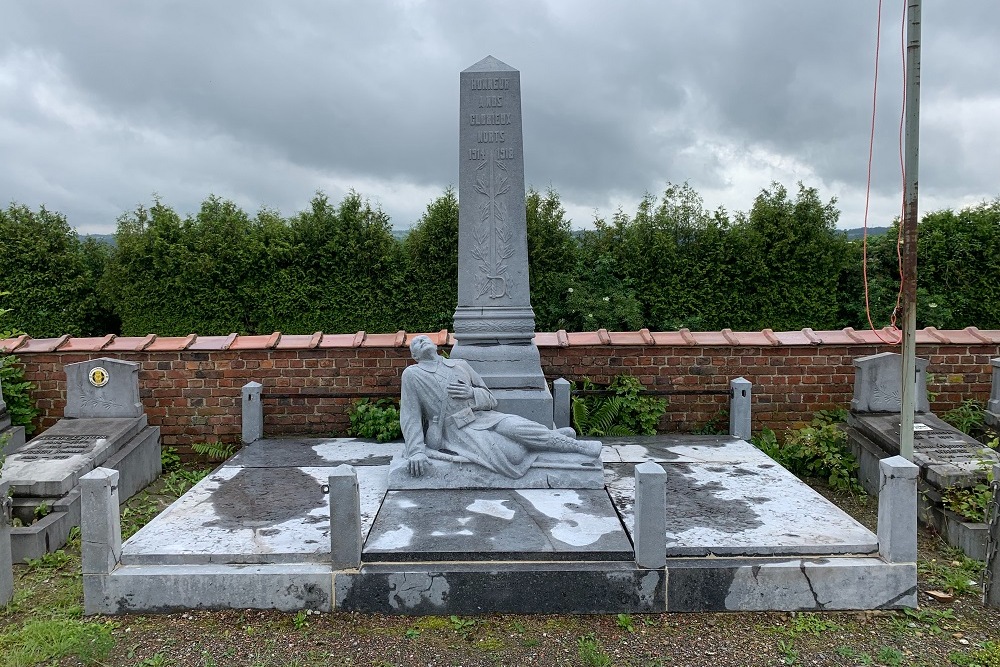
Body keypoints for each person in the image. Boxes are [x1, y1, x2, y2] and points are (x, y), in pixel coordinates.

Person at [400, 335, 602, 478]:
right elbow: (410, 415)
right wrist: (416, 451)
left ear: (435, 346)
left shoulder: (460, 365)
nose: (420, 340)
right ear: (415, 357)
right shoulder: (413, 374)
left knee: (518, 426)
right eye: (415, 343)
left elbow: (490, 399)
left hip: (482, 417)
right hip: (457, 432)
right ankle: (550, 439)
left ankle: (580, 447)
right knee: (515, 454)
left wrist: (472, 394)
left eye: (425, 338)